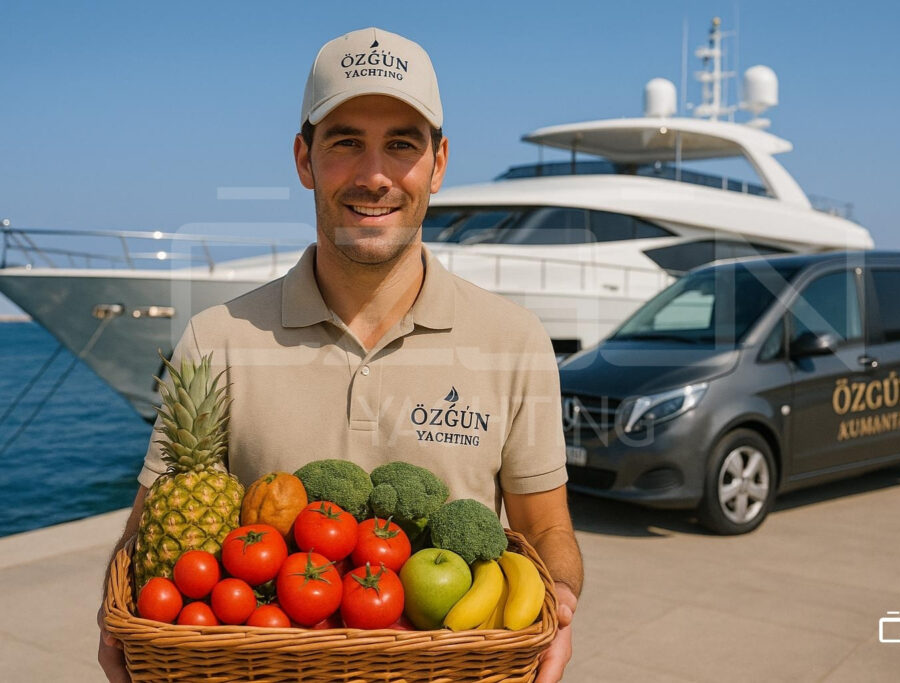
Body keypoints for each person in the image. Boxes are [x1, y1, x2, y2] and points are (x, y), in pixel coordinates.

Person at [98, 26, 582, 682]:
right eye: (346, 142)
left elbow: (546, 527)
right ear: (304, 159)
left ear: (438, 164)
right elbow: (147, 538)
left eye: (402, 145)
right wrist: (118, 614)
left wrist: (560, 600)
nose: (375, 175)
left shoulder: (514, 340)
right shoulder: (217, 339)